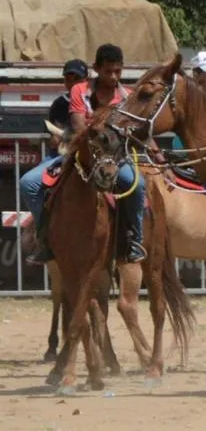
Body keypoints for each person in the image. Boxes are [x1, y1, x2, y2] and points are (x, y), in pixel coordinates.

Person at [20, 44, 150, 265]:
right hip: (82, 156)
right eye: (108, 71)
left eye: (118, 71)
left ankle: (134, 240)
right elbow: (79, 128)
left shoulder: (127, 97)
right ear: (96, 68)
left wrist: (150, 146)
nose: (113, 76)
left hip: (116, 159)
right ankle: (46, 238)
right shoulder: (79, 90)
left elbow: (137, 130)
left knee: (136, 185)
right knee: (28, 183)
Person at [43, 59, 89, 158]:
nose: (72, 83)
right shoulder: (59, 103)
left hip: (90, 153)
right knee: (32, 174)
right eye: (68, 79)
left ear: (86, 79)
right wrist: (55, 140)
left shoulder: (94, 99)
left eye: (77, 78)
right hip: (62, 154)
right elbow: (55, 133)